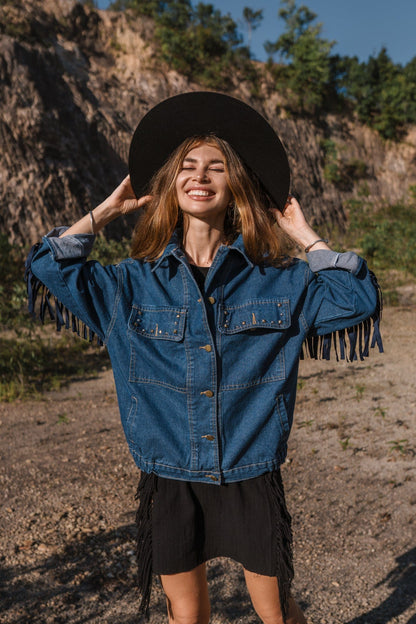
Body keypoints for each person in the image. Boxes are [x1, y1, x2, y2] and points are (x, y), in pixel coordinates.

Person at [26, 92, 382, 624]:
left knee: (277, 612)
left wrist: (302, 235)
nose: (200, 175)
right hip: (170, 475)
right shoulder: (129, 284)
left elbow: (357, 299)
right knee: (186, 616)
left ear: (234, 184)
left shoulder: (279, 280)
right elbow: (49, 268)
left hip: (250, 470)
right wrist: (106, 212)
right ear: (171, 182)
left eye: (216, 167)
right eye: (187, 166)